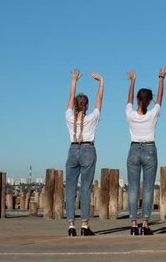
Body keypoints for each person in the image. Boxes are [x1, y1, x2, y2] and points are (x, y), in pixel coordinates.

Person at [125, 66, 166, 236]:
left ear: (138, 100)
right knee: (149, 188)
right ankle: (145, 223)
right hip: (150, 149)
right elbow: (160, 98)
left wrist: (132, 81)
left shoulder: (130, 114)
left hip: (134, 149)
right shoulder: (152, 114)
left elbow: (129, 101)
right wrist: (161, 78)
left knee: (133, 189)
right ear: (149, 101)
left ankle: (133, 224)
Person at [64, 69, 104, 237]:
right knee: (86, 188)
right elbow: (99, 99)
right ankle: (85, 225)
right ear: (86, 106)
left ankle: (71, 225)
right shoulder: (92, 117)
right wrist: (101, 81)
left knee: (71, 189)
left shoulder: (68, 116)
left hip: (73, 149)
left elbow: (70, 101)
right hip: (88, 149)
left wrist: (74, 81)